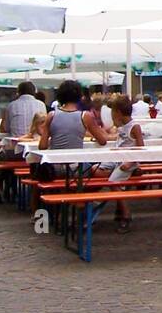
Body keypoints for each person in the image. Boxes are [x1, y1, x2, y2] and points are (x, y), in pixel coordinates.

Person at [0, 81, 47, 204]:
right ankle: (10, 188)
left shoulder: (12, 105)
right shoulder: (41, 105)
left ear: (18, 92)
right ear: (34, 92)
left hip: (15, 151)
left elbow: (4, 129)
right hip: (36, 151)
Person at [37, 79, 111, 184]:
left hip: (54, 168)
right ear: (79, 96)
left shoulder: (51, 115)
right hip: (77, 168)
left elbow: (42, 146)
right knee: (97, 170)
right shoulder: (85, 116)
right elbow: (103, 141)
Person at [95, 95, 146, 231]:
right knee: (95, 170)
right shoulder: (121, 126)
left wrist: (130, 163)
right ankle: (106, 199)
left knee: (113, 183)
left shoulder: (134, 127)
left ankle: (126, 214)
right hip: (116, 158)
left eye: (112, 112)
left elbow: (141, 149)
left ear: (117, 112)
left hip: (128, 161)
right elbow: (116, 139)